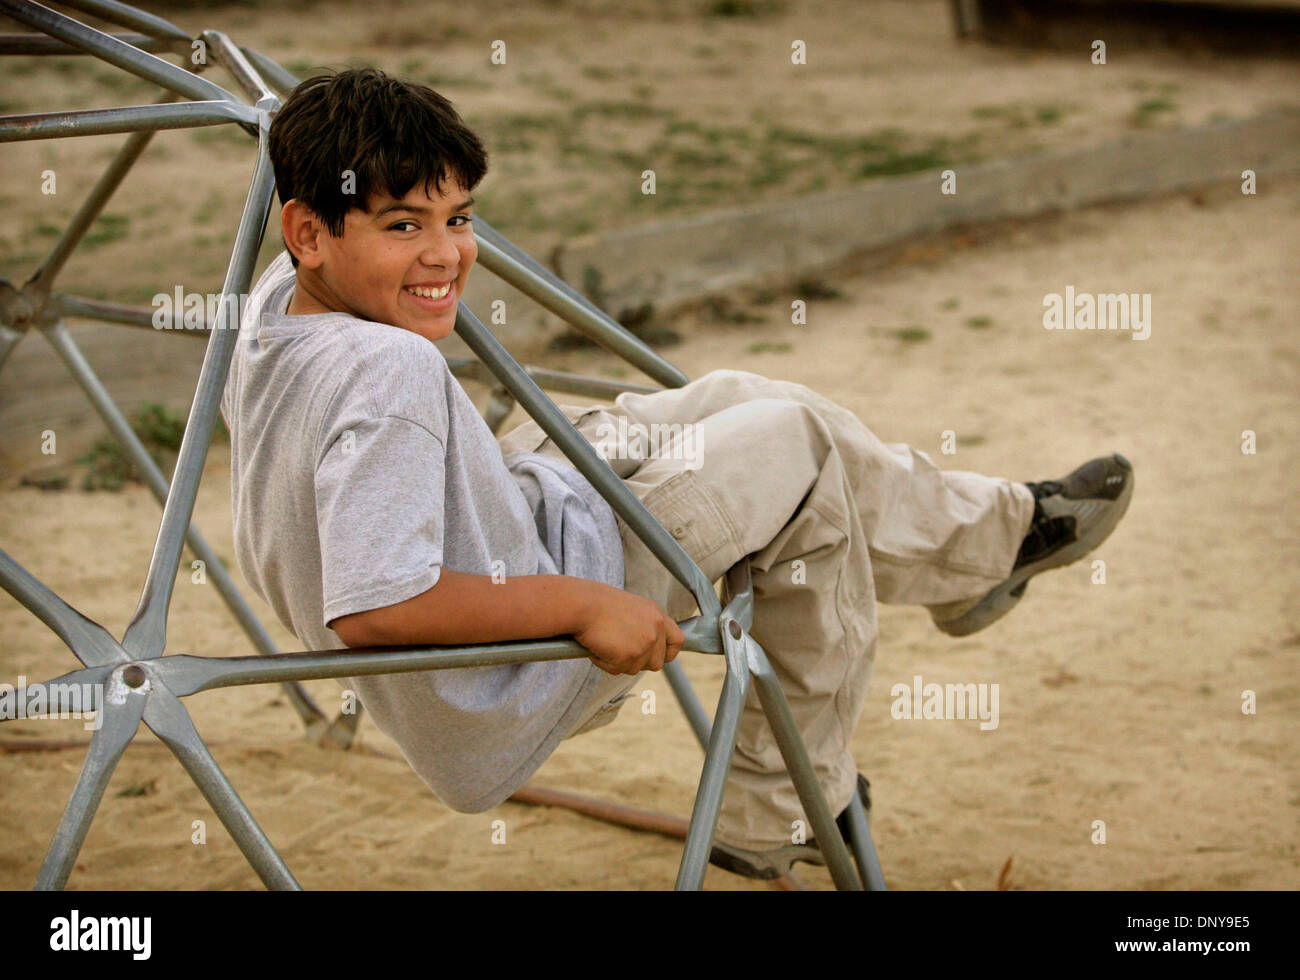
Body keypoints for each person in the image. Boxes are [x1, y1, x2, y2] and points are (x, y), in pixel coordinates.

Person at [220, 68, 1133, 882]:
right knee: (800, 453)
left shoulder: (268, 304)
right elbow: (377, 605)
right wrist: (585, 607)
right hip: (514, 658)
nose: (446, 254)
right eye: (401, 226)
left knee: (744, 395)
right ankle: (782, 804)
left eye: (457, 219)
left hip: (522, 519)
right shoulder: (391, 370)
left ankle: (992, 544)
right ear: (307, 231)